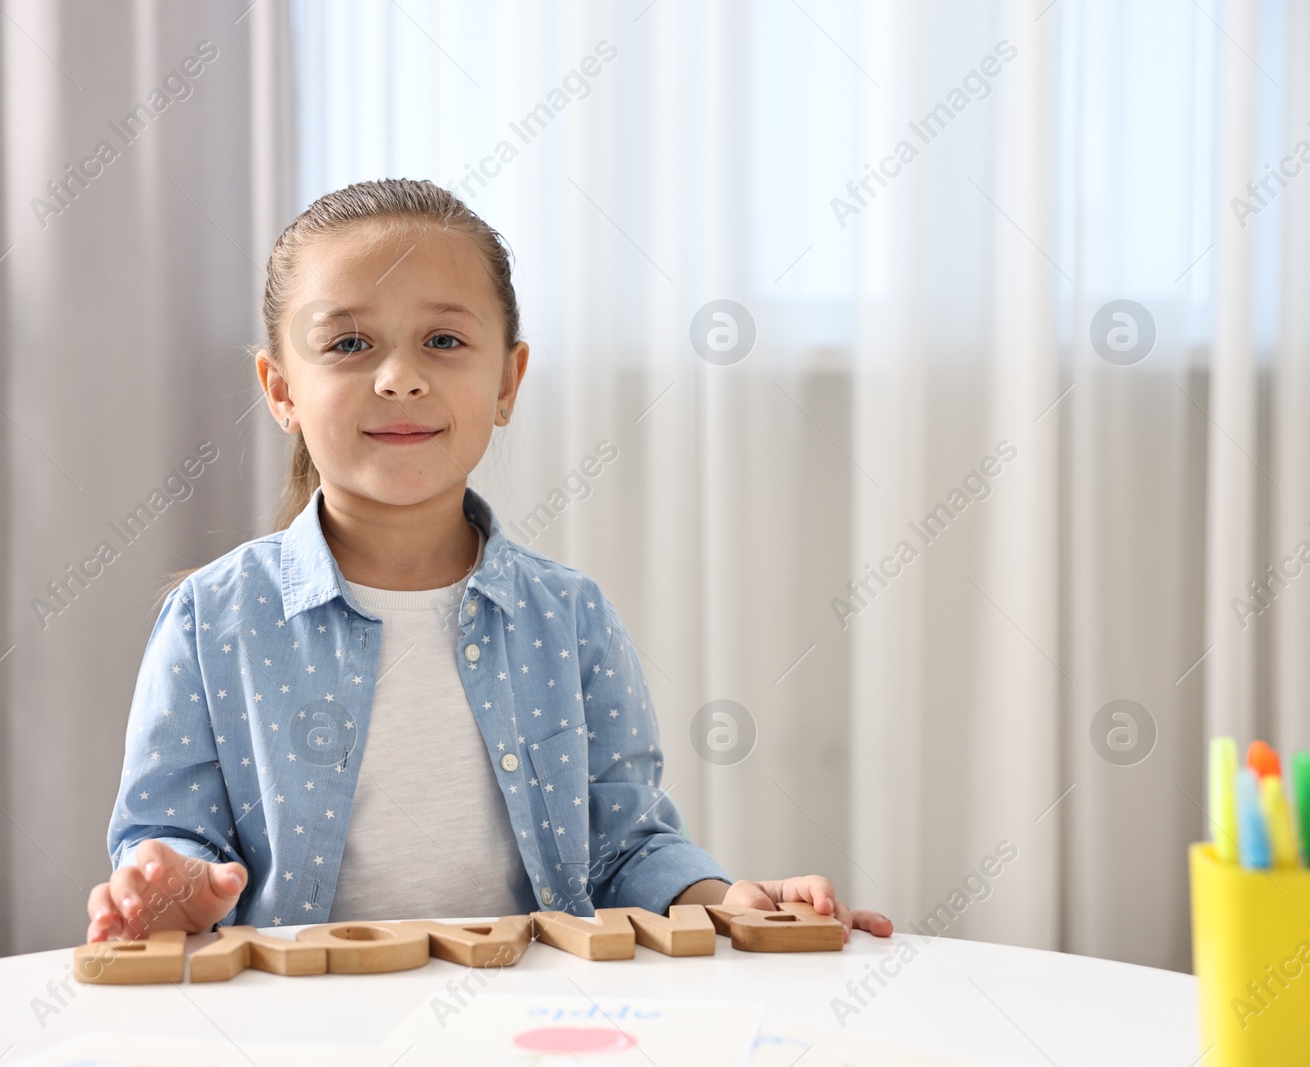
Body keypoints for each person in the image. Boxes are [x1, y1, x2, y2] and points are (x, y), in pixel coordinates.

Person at [85, 178, 892, 944]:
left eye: (443, 340)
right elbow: (167, 836)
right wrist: (167, 886)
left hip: (527, 1017)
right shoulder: (210, 618)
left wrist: (723, 899)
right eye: (349, 343)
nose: (400, 378)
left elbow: (625, 846)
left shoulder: (570, 617)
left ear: (508, 380)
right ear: (281, 388)